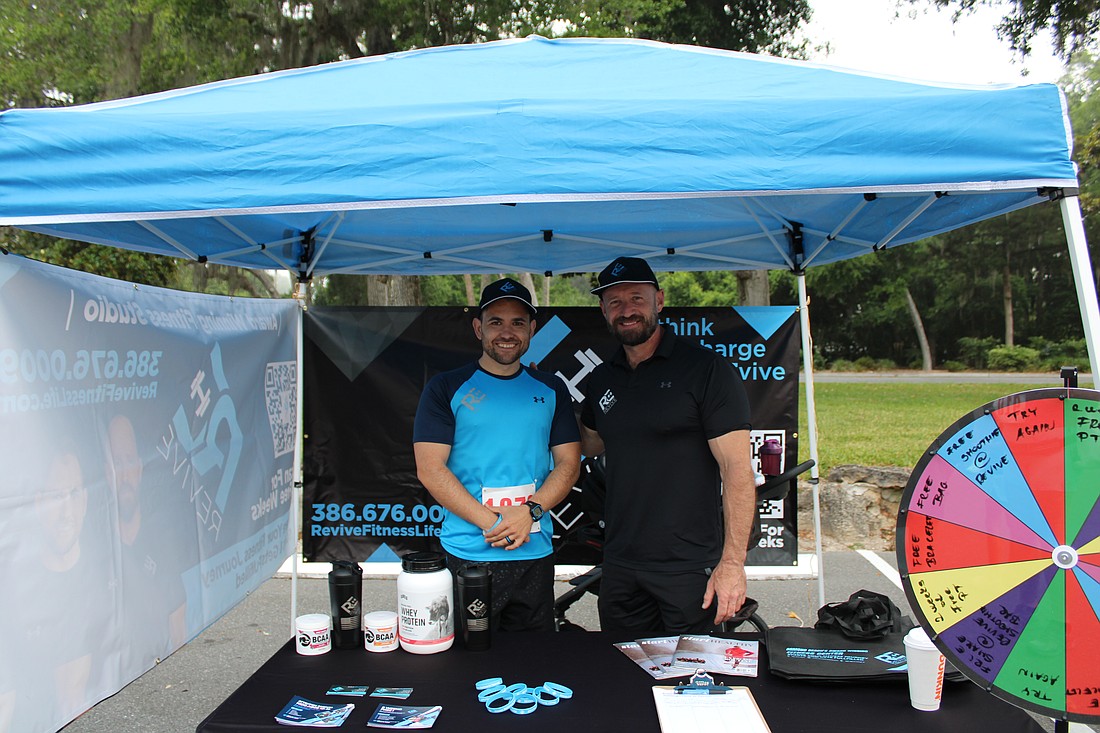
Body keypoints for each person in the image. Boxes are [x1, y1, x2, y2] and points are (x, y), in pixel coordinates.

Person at [579, 256, 756, 636]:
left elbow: (738, 471)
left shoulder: (706, 370)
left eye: (636, 299)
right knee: (620, 670)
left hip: (689, 568)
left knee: (694, 672)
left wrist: (732, 564)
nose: (627, 310)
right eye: (615, 302)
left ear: (658, 301)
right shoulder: (601, 379)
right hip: (621, 564)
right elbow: (589, 445)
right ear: (603, 310)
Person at [413, 278, 581, 631]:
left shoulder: (551, 388)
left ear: (532, 329)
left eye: (518, 322)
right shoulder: (446, 387)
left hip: (534, 552)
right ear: (479, 328)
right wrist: (494, 523)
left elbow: (568, 464)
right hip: (469, 552)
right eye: (496, 322)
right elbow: (430, 470)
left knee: (533, 659)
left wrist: (530, 512)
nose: (507, 332)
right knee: (468, 657)